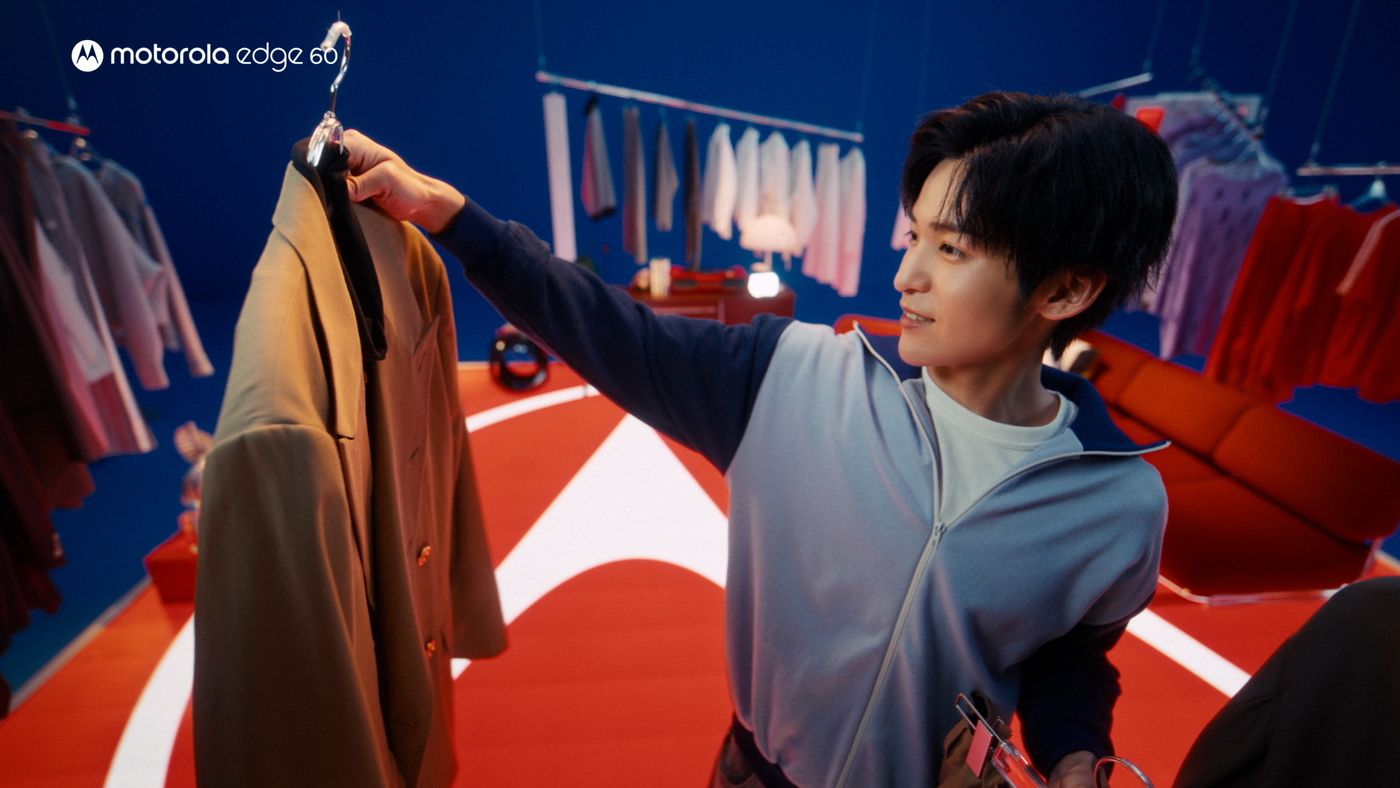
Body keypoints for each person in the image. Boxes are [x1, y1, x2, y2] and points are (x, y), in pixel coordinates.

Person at [340, 91, 1178, 788]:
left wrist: (1074, 755)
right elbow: (610, 329)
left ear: (1064, 291)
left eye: (950, 249)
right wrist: (453, 219)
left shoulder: (1118, 504)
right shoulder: (789, 377)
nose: (905, 276)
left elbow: (1068, 656)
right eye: (914, 236)